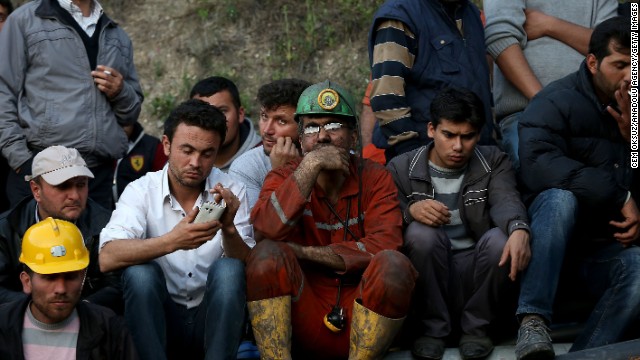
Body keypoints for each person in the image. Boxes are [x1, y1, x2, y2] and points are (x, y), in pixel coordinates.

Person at [246, 80, 417, 359]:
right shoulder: (281, 176)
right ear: (301, 139)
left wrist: (302, 252)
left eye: (334, 126)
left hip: (362, 308)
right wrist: (309, 166)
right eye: (312, 128)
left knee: (394, 265)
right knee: (266, 255)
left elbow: (384, 247)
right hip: (304, 306)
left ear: (352, 137)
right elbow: (265, 233)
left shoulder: (376, 177)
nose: (322, 137)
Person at [515, 16, 638, 359]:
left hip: (602, 253)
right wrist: (620, 195)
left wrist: (632, 138)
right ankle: (533, 321)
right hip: (549, 251)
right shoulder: (554, 101)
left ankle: (587, 354)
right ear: (593, 62)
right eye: (621, 65)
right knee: (559, 199)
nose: (630, 76)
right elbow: (539, 167)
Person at [99, 99, 255, 360]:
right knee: (140, 274)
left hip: (211, 320)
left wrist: (228, 228)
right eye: (187, 150)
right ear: (167, 145)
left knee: (229, 270)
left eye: (207, 153)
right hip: (160, 320)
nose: (196, 162)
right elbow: (107, 257)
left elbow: (246, 269)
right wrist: (173, 240)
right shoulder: (141, 191)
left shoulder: (231, 190)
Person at [387, 87, 530, 360]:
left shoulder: (493, 161)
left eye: (468, 137)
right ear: (431, 129)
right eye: (449, 135)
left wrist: (518, 227)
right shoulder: (401, 167)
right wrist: (410, 212)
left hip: (476, 272)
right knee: (420, 234)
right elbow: (383, 221)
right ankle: (432, 331)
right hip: (427, 274)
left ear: (478, 134)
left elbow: (506, 200)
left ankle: (477, 330)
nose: (457, 146)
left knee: (502, 239)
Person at [0, 0, 144, 209]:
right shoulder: (24, 21)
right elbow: (3, 93)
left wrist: (121, 92)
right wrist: (22, 160)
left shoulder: (117, 35)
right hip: (40, 169)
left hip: (96, 175)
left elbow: (131, 114)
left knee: (91, 242)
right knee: (37, 242)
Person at [484, 0, 618, 171]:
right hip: (525, 113)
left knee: (603, 185)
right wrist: (547, 105)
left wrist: (550, 25)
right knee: (551, 184)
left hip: (593, 115)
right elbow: (499, 37)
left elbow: (611, 49)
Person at [0, 145, 122, 313]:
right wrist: (38, 309)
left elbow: (117, 285)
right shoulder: (6, 228)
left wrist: (77, 310)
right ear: (36, 190)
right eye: (63, 186)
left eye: (81, 185)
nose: (75, 195)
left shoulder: (108, 225)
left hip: (91, 324)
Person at [368, 0, 494, 162]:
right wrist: (412, 155)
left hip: (477, 153)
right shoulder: (401, 14)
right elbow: (386, 95)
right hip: (425, 156)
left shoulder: (470, 13)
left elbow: (483, 87)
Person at [0, 217, 138, 359]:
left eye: (70, 277)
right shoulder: (3, 326)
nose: (61, 288)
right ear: (27, 281)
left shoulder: (110, 330)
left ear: (83, 277)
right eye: (50, 277)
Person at [229, 78, 310, 209]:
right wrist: (282, 173)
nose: (267, 130)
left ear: (307, 125)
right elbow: (261, 228)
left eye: (281, 121)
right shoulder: (247, 167)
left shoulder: (330, 158)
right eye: (264, 117)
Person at [190, 76, 261, 172]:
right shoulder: (180, 164)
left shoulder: (266, 160)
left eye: (222, 111)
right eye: (203, 112)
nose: (213, 120)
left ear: (240, 114)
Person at [112, 122, 168, 207]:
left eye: (126, 118)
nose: (121, 124)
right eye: (116, 118)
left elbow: (164, 189)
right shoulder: (95, 145)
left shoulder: (154, 148)